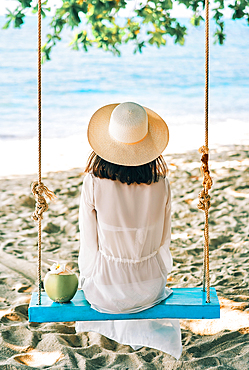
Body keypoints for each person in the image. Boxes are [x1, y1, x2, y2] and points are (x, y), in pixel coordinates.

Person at [76, 102, 182, 359]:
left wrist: (87, 276)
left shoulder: (93, 182)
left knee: (90, 277)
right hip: (150, 287)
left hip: (106, 290)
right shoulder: (162, 184)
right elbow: (163, 241)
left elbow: (90, 244)